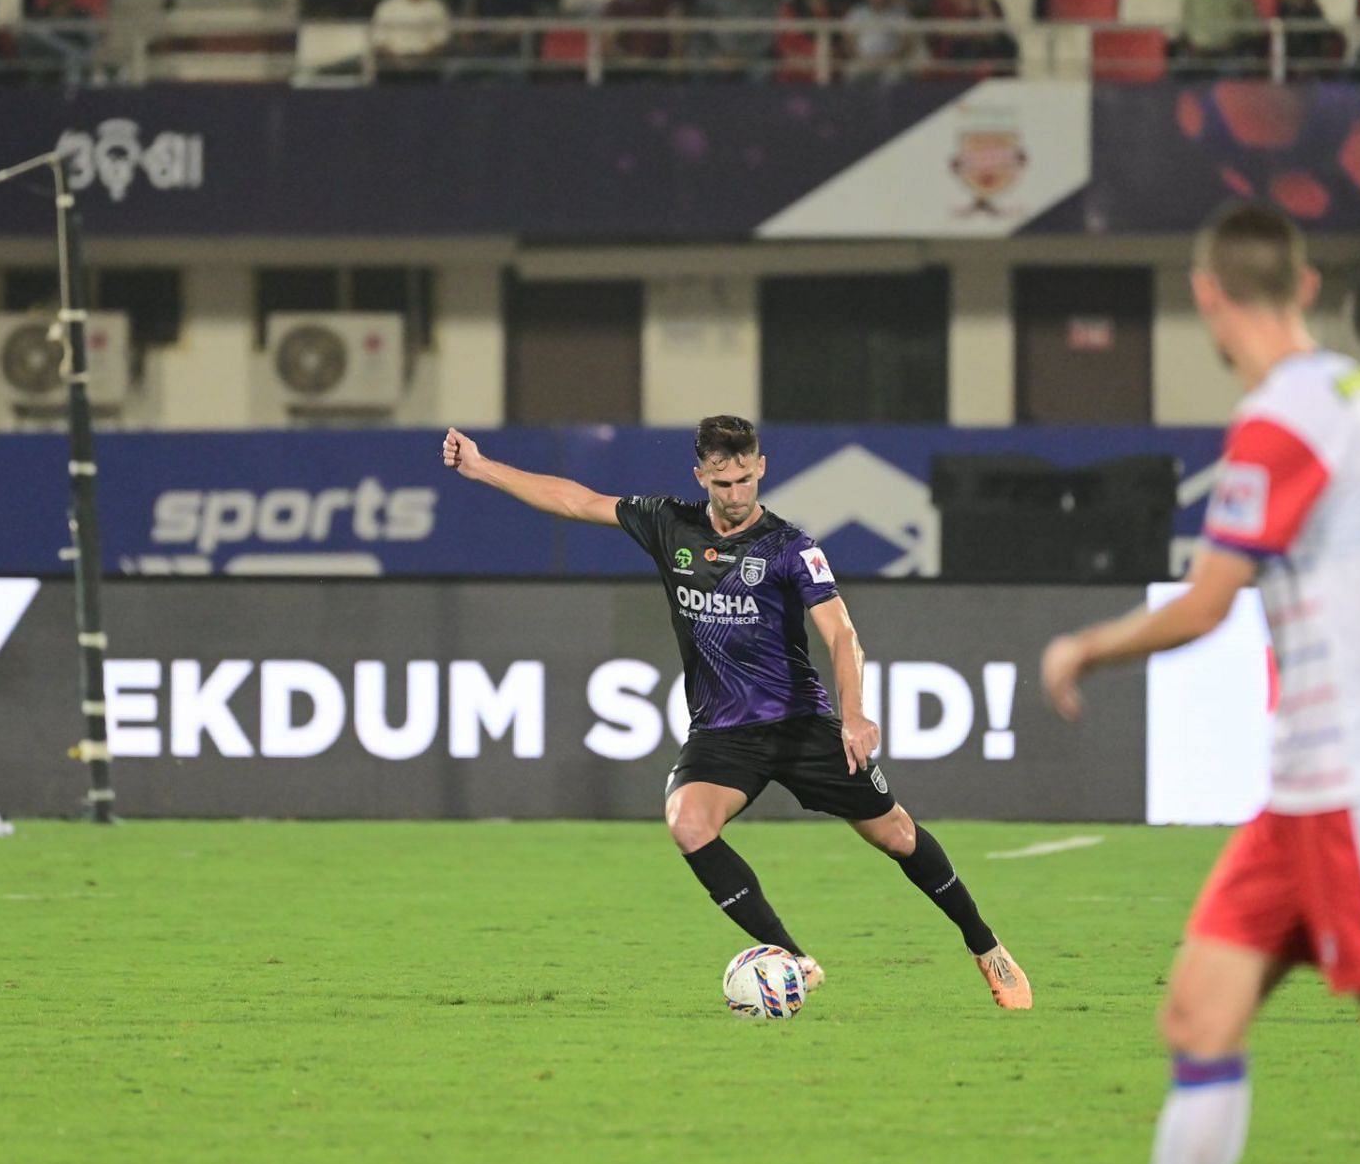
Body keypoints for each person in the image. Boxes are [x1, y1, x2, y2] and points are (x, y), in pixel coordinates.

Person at [1041, 202, 1360, 1164]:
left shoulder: (1275, 427)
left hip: (1354, 794)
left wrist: (1087, 644)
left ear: (1208, 296)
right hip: (1304, 798)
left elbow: (1207, 603)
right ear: (1303, 286)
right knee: (1198, 1018)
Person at [442, 416, 1032, 1011]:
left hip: (799, 724)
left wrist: (853, 716)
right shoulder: (667, 522)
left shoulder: (791, 547)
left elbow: (842, 633)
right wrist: (481, 467)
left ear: (761, 468)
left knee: (899, 836)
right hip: (723, 733)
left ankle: (986, 947)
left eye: (746, 479)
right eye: (723, 484)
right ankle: (793, 960)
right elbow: (577, 501)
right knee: (688, 823)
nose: (735, 495)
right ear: (701, 476)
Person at [691, 0, 784, 74]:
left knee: (764, 69)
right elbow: (698, 32)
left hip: (750, 57)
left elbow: (767, 34)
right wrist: (714, 57)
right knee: (696, 62)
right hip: (717, 57)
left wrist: (743, 57)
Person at [371, 0, 453, 72]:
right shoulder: (387, 6)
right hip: (392, 66)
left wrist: (421, 62)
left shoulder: (436, 7)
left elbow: (441, 41)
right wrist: (397, 62)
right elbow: (379, 41)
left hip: (427, 66)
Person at [603, 0, 679, 78]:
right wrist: (627, 59)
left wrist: (675, 60)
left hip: (660, 67)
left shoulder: (662, 1)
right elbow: (608, 43)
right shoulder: (617, 5)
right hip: (627, 70)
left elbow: (678, 34)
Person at [22, 0, 95, 83]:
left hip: (75, 72)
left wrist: (48, 38)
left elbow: (91, 50)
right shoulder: (38, 17)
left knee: (73, 61)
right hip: (45, 73)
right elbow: (28, 53)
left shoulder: (82, 16)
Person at [844, 0, 918, 78]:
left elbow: (908, 40)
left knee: (895, 75)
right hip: (863, 61)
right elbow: (848, 40)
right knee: (852, 71)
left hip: (892, 61)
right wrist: (859, 58)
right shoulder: (857, 12)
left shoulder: (900, 13)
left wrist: (894, 58)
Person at [1279, 0, 1344, 76]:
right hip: (1284, 65)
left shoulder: (1315, 16)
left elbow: (1331, 41)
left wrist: (1311, 64)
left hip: (1310, 70)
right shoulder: (1282, 13)